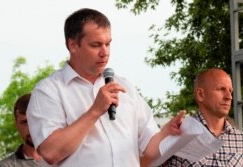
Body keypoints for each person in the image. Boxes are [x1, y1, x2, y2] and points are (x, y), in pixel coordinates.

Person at [26, 8, 185, 167]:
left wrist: (166, 133)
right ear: (73, 45)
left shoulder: (124, 86)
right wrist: (95, 111)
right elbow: (50, 152)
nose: (105, 52)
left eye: (108, 44)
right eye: (96, 45)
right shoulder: (48, 91)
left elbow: (150, 150)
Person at [161, 68, 243, 166]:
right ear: (200, 94)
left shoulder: (240, 139)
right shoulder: (178, 136)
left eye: (230, 91)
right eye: (221, 89)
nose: (229, 97)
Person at [0, 94, 41, 167]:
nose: (32, 128)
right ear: (16, 125)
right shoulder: (5, 166)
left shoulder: (64, 159)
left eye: (36, 120)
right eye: (25, 122)